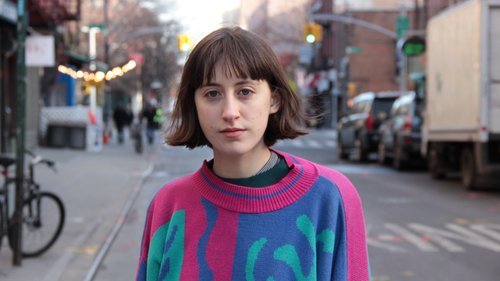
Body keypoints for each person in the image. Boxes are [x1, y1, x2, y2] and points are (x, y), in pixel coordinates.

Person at [136, 27, 369, 281]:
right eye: (212, 94)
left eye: (245, 91)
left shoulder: (329, 197)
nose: (230, 111)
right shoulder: (169, 206)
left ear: (274, 100)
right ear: (194, 104)